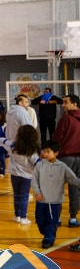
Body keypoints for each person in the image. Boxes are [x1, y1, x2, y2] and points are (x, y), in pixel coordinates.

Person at [33, 140, 80, 249]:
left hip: (55, 201)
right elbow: (34, 179)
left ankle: (49, 239)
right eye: (44, 151)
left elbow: (73, 179)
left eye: (48, 152)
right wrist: (37, 192)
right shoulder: (39, 165)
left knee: (52, 221)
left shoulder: (62, 167)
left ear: (56, 153)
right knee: (40, 221)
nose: (45, 154)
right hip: (41, 200)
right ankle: (47, 234)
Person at [0, 124, 40, 225]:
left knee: (17, 195)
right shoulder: (31, 150)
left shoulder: (13, 146)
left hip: (14, 175)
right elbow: (37, 163)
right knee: (24, 196)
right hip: (26, 176)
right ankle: (23, 217)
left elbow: (2, 140)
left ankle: (17, 215)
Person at [53, 94, 80, 228]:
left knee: (57, 188)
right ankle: (73, 218)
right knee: (75, 189)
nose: (63, 105)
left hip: (65, 158)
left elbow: (57, 138)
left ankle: (57, 218)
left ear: (74, 104)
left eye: (65, 102)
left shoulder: (66, 119)